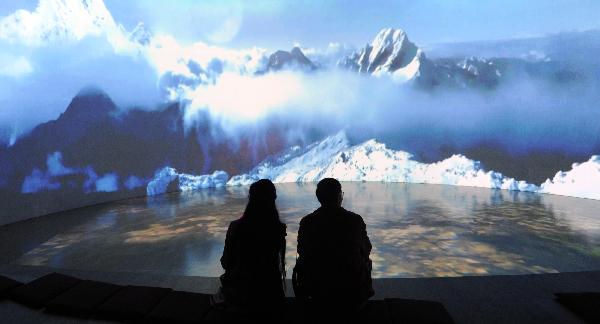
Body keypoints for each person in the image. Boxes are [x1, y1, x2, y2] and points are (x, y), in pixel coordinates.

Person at [293, 178, 374, 313]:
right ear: (339, 196)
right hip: (352, 294)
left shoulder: (307, 222)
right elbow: (367, 249)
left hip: (317, 292)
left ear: (319, 197)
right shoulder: (355, 221)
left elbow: (301, 250)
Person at [214, 179, 287, 310]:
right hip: (271, 297)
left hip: (240, 297)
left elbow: (226, 263)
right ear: (273, 198)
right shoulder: (279, 229)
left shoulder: (236, 227)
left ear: (250, 198)